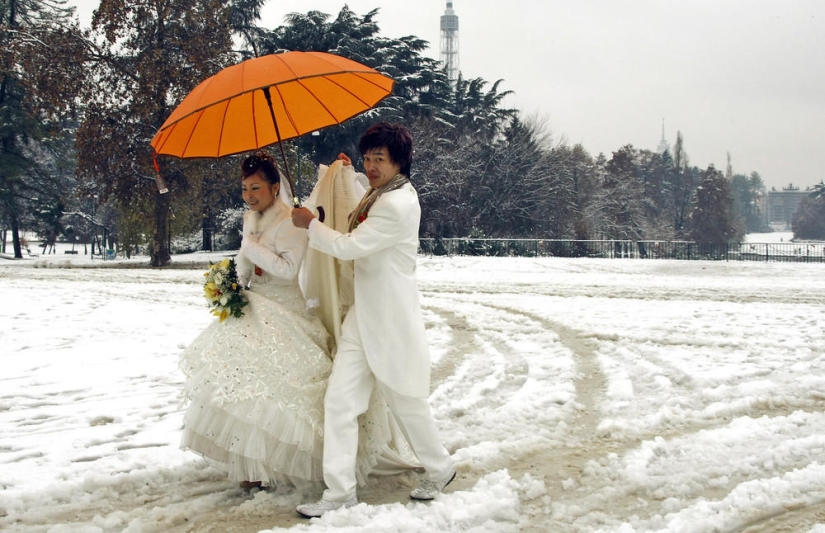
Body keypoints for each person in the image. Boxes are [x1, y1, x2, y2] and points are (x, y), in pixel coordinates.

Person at [179, 151, 415, 489]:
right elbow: (246, 256)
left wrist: (254, 247)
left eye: (256, 188)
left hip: (284, 308)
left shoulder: (292, 220)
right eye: (245, 188)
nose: (249, 195)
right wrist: (232, 285)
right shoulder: (250, 218)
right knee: (246, 389)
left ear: (276, 187)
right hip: (253, 306)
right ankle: (252, 465)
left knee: (279, 391)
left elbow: (288, 270)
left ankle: (285, 463)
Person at [292, 123, 456, 517]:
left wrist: (310, 225)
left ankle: (440, 466)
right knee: (341, 402)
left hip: (391, 320)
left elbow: (350, 247)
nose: (372, 166)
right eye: (368, 158)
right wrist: (347, 173)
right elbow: (359, 208)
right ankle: (339, 493)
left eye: (378, 159)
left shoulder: (397, 205)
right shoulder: (383, 191)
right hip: (362, 318)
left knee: (406, 403)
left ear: (399, 161)